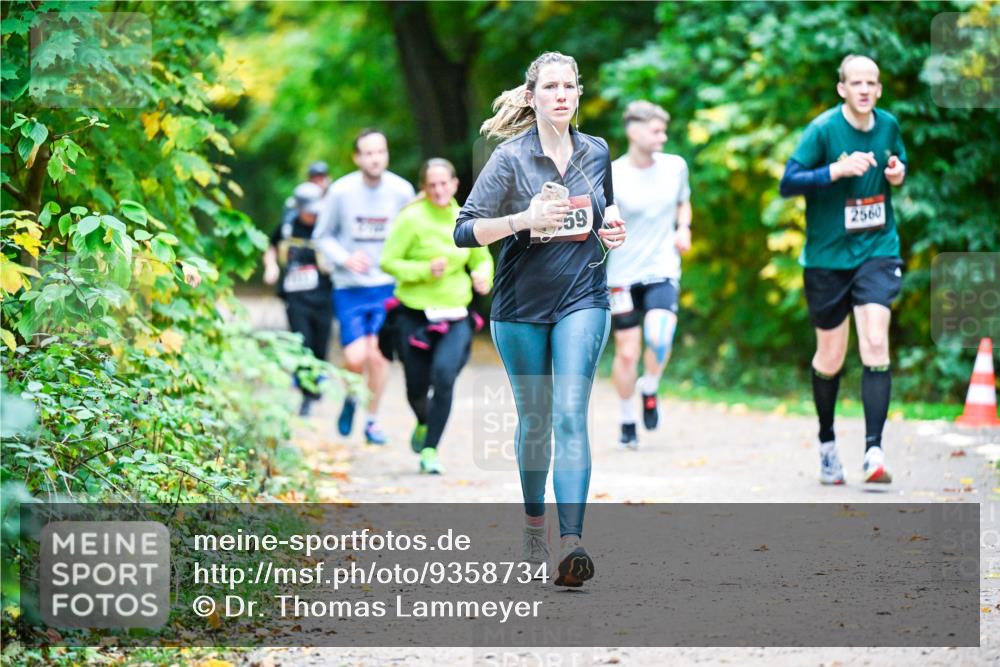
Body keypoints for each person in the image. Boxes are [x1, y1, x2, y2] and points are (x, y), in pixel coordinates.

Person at [454, 51, 626, 587]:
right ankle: (535, 529)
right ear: (531, 97)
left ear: (578, 94)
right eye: (549, 87)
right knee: (536, 423)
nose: (560, 95)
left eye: (569, 87)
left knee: (571, 412)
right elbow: (464, 231)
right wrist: (522, 219)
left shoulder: (596, 152)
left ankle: (572, 544)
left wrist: (612, 230)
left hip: (583, 297)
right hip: (520, 306)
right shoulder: (509, 159)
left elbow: (606, 211)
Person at [779, 54, 907, 485]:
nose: (865, 90)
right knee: (830, 358)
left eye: (872, 82)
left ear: (879, 89)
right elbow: (788, 183)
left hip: (877, 249)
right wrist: (835, 170)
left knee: (875, 341)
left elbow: (898, 164)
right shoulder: (822, 130)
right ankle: (828, 444)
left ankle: (874, 451)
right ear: (842, 89)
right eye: (857, 83)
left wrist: (896, 173)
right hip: (827, 259)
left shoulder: (888, 125)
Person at [379, 158, 494, 474]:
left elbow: (482, 259)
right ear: (424, 188)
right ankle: (423, 422)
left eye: (445, 183)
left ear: (455, 185)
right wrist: (422, 270)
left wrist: (483, 276)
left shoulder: (466, 218)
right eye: (433, 185)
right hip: (413, 315)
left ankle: (430, 449)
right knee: (416, 388)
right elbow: (388, 262)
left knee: (444, 377)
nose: (440, 190)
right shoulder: (411, 219)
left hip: (456, 314)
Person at [315, 129, 415, 445]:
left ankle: (371, 420)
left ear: (386, 154)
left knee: (379, 357)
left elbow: (414, 232)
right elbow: (322, 235)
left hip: (387, 286)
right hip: (350, 287)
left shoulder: (401, 190)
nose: (375, 158)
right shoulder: (341, 191)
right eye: (368, 153)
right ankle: (350, 398)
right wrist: (345, 259)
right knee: (356, 357)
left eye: (380, 152)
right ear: (357, 158)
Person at [607, 100, 692, 449]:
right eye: (656, 130)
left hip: (661, 267)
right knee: (627, 352)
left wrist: (684, 227)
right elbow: (603, 217)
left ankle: (651, 385)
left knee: (660, 337)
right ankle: (628, 418)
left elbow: (683, 202)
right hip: (622, 274)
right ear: (634, 131)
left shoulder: (675, 167)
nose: (663, 136)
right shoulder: (611, 172)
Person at [263, 182, 334, 417]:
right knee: (302, 343)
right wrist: (271, 266)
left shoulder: (326, 226)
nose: (312, 215)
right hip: (295, 298)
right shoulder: (286, 226)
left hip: (324, 296)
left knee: (320, 345)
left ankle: (315, 383)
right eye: (309, 211)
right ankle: (306, 395)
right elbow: (270, 248)